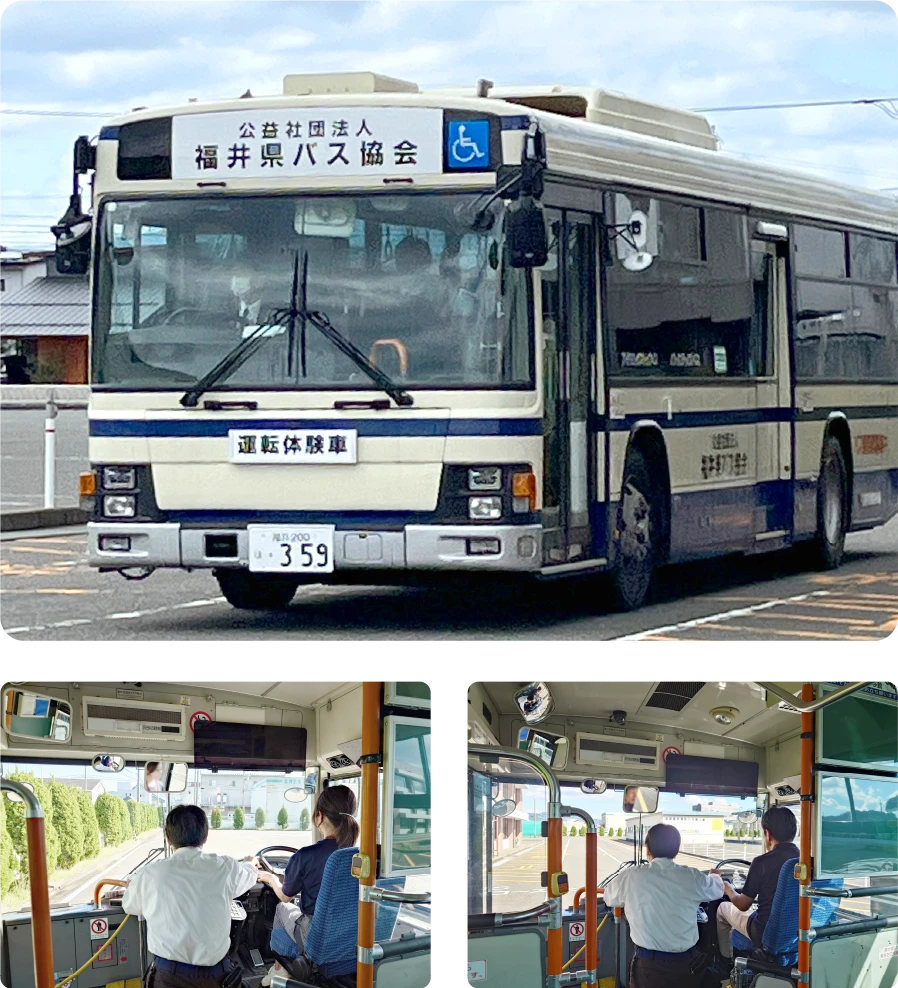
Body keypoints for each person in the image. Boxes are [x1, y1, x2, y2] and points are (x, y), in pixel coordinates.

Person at [122, 804, 258, 987]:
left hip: (167, 978)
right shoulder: (225, 868)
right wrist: (250, 862)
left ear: (168, 838)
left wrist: (134, 883)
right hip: (215, 978)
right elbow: (250, 876)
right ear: (205, 835)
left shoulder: (149, 874)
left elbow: (129, 906)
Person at [256, 785, 360, 986]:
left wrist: (271, 879)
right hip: (352, 932)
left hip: (316, 934)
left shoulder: (306, 855)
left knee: (281, 908)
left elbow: (286, 896)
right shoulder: (360, 856)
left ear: (319, 816)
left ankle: (280, 969)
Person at [603, 823, 724, 988]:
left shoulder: (631, 876)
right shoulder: (691, 876)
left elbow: (609, 897)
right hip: (687, 966)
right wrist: (715, 876)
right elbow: (717, 889)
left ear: (648, 849)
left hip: (648, 967)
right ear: (677, 849)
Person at [716, 805, 799, 961]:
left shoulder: (761, 862)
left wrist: (728, 889)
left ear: (768, 834)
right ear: (794, 833)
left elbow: (742, 905)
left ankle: (724, 961)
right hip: (795, 933)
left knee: (722, 908)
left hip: (764, 932)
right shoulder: (805, 861)